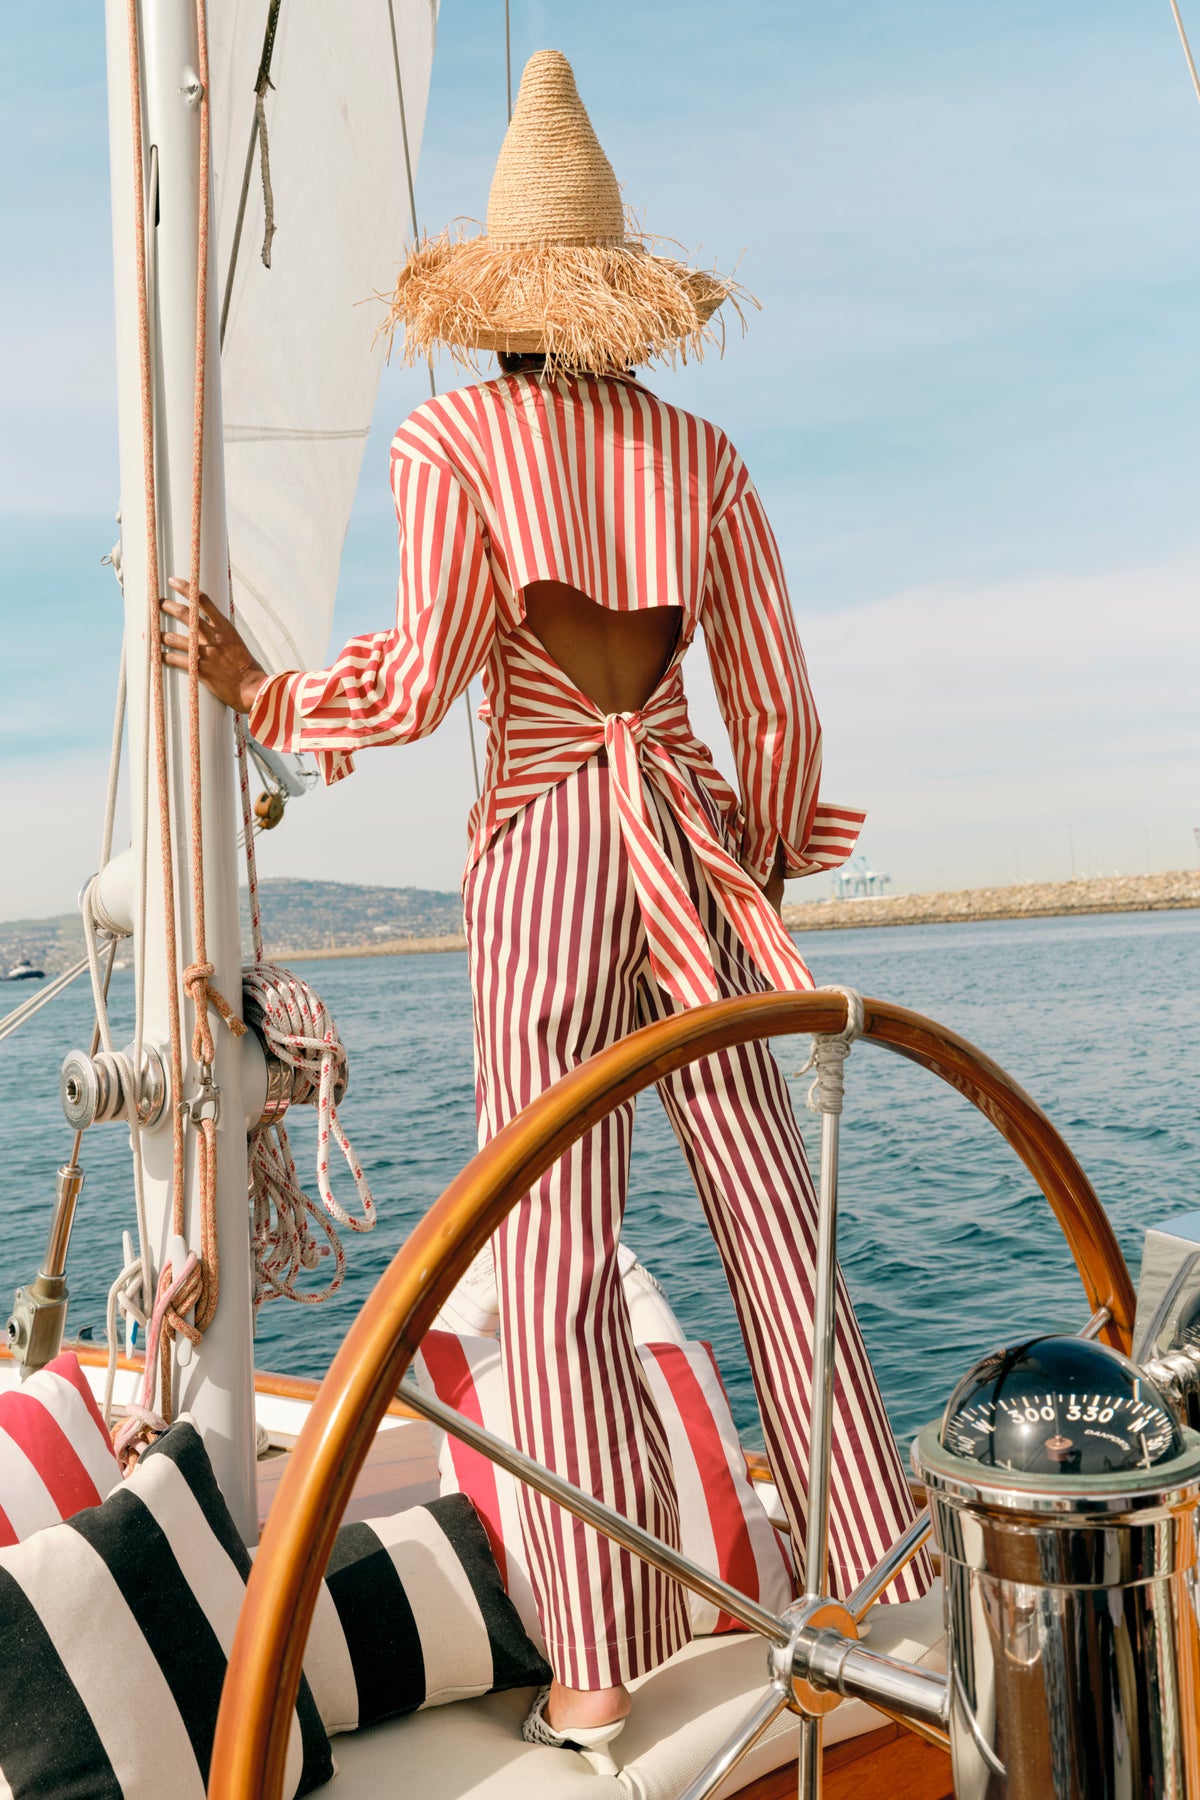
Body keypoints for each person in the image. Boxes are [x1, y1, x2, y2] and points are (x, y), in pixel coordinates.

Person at [163, 48, 930, 1771]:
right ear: (618, 301)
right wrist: (775, 839)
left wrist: (271, 693)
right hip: (692, 837)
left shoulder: (453, 439)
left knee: (558, 1259)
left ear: (493, 299)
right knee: (776, 1219)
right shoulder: (706, 452)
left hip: (546, 863)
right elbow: (781, 696)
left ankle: (595, 1669)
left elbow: (431, 677)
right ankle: (880, 1572)